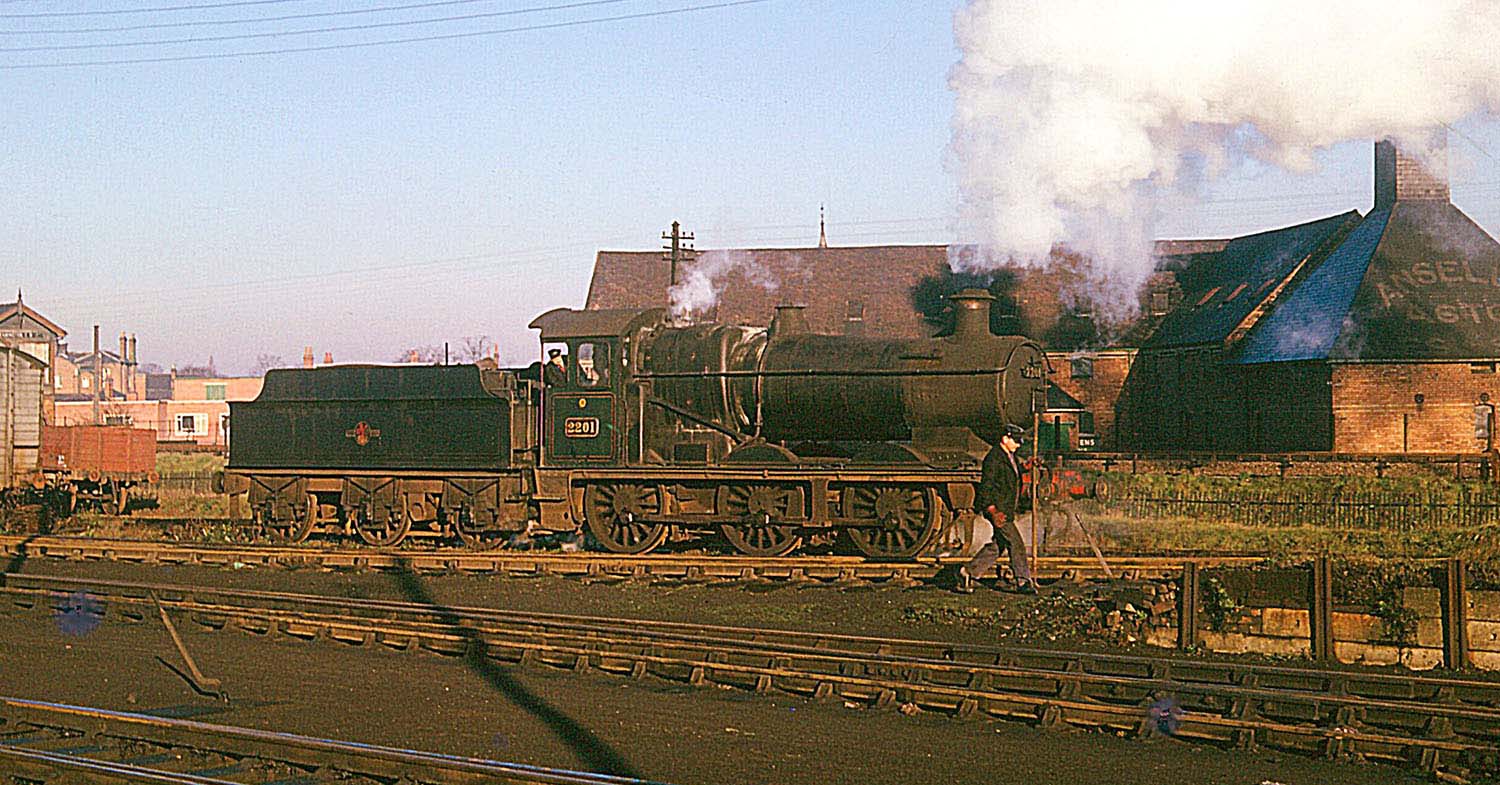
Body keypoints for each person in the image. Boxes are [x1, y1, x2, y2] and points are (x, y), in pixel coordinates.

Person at [955, 423, 1035, 594]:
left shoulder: (1009, 456)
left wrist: (1026, 467)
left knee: (998, 545)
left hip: (1005, 509)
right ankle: (1023, 581)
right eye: (1015, 441)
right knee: (1016, 543)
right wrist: (993, 511)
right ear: (1005, 439)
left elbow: (1011, 473)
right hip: (998, 511)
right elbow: (986, 488)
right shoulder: (993, 459)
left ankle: (968, 572)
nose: (1018, 444)